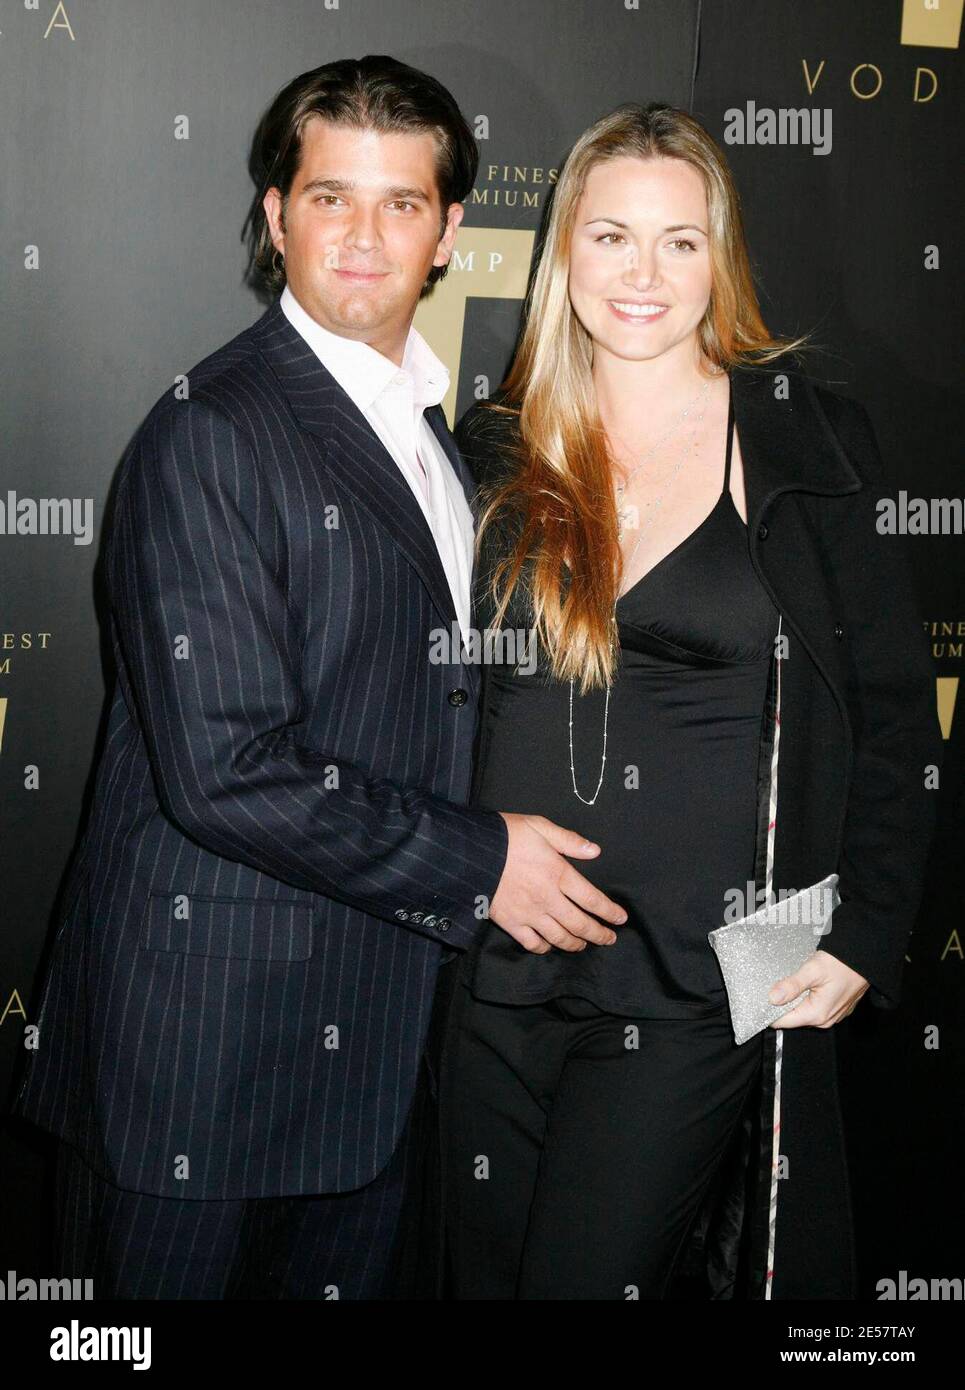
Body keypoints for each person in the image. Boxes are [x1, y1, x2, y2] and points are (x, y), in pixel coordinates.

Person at [11, 55, 626, 1301]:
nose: (362, 236)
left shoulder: (449, 448)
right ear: (274, 216)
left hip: (375, 1066)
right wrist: (482, 863)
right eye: (330, 197)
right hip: (198, 1067)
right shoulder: (211, 432)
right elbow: (227, 771)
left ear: (451, 231)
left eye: (400, 203)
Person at [436, 101, 944, 1300]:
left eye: (678, 239)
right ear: (564, 250)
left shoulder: (808, 440)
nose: (642, 273)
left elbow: (891, 719)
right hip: (495, 965)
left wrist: (864, 929)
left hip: (706, 974)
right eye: (610, 236)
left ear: (720, 257)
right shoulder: (496, 444)